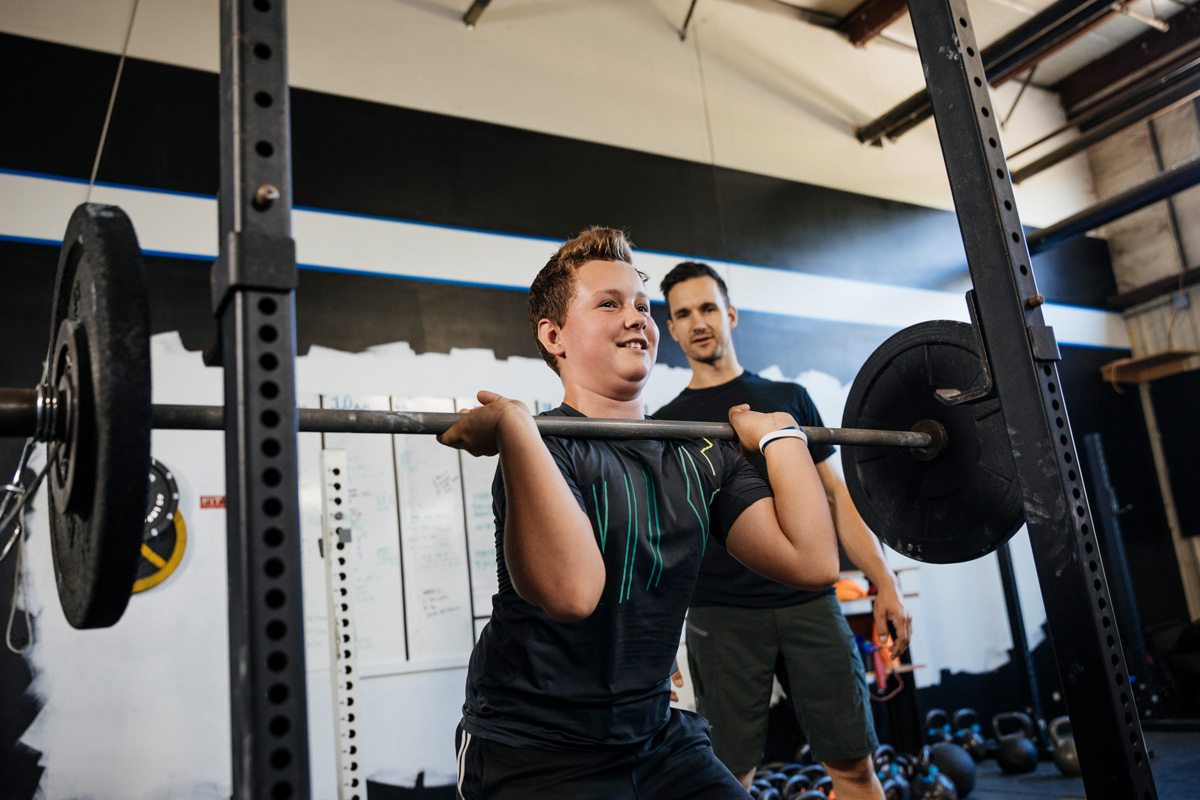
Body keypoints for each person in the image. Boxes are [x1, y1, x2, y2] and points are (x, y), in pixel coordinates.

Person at [436, 228, 839, 799]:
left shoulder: (699, 453)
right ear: (554, 336)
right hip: (534, 749)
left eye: (642, 306)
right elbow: (574, 595)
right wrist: (515, 425)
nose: (637, 319)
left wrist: (783, 438)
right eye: (609, 303)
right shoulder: (547, 451)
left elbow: (813, 560)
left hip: (655, 737)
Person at [654, 261, 913, 800]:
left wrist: (882, 581)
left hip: (808, 603)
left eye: (707, 308)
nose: (698, 322)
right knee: (726, 780)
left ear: (730, 313)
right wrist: (654, 639)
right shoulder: (666, 422)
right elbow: (665, 538)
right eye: (683, 314)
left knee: (855, 767)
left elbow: (837, 496)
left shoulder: (788, 398)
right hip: (719, 614)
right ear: (672, 329)